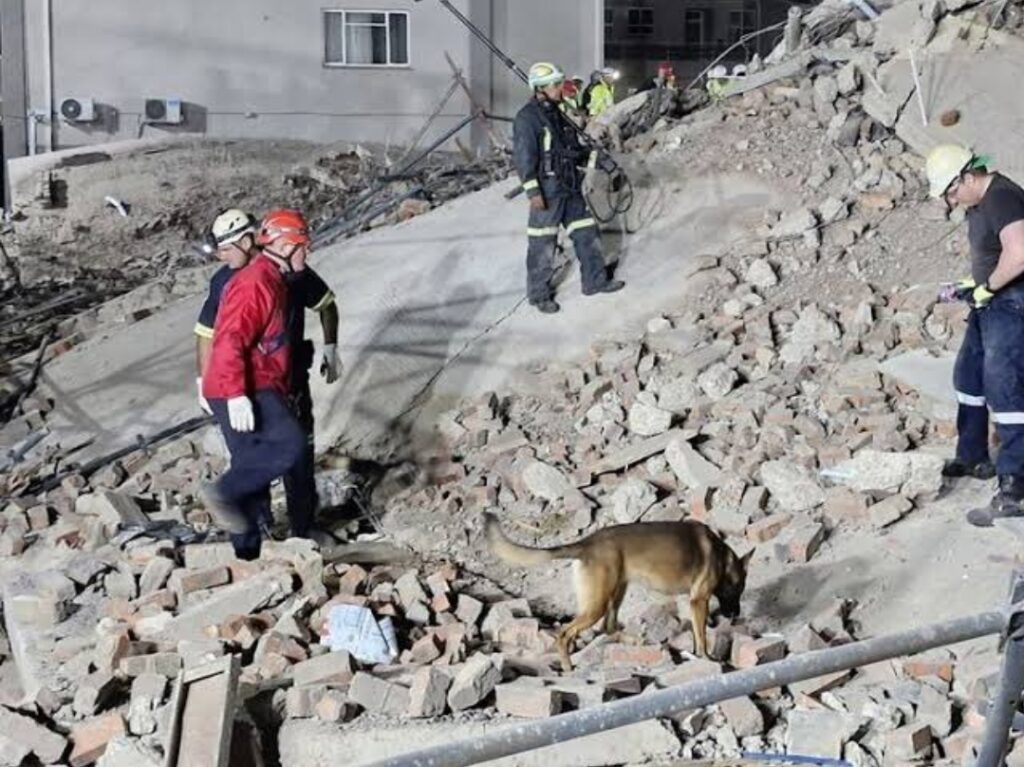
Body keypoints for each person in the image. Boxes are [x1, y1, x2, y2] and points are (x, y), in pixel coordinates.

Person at [196, 209, 341, 548]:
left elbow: (325, 305)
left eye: (227, 248)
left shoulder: (283, 276)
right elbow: (223, 337)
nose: (308, 252)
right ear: (286, 245)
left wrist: (331, 350)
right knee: (284, 447)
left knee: (279, 454)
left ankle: (252, 550)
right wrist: (226, 391)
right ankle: (228, 500)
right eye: (304, 245)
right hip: (244, 383)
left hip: (270, 381)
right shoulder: (253, 282)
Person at [924, 145, 1024, 526]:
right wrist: (974, 284)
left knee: (1006, 390)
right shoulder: (979, 205)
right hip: (993, 299)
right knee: (968, 377)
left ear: (969, 176)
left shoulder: (1002, 197)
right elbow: (995, 254)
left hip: (1013, 303)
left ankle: (1015, 486)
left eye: (952, 192)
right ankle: (973, 456)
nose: (952, 201)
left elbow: (1020, 253)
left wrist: (990, 286)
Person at [513, 62, 625, 314]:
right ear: (540, 88)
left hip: (570, 187)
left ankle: (595, 282)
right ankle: (539, 295)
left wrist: (600, 160)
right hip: (548, 191)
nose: (559, 88)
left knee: (587, 234)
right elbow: (523, 158)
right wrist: (533, 192)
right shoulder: (527, 118)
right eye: (554, 84)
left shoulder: (559, 114)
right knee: (543, 244)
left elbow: (571, 150)